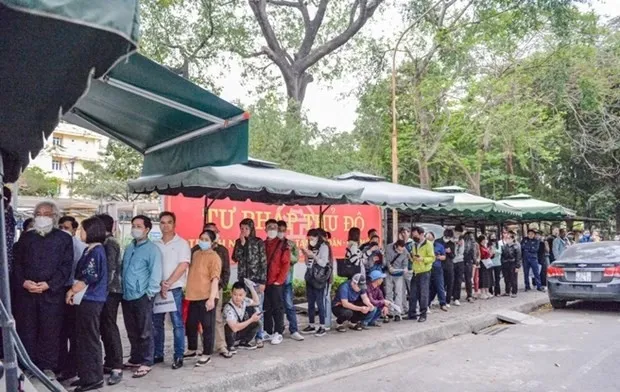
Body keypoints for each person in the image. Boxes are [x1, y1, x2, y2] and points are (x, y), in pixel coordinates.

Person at [13, 201, 73, 376]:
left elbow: (65, 266)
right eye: (38, 213)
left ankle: (48, 368)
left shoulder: (63, 238)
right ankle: (27, 365)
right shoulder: (26, 238)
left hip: (51, 294)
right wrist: (24, 282)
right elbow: (17, 263)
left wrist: (50, 284)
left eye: (46, 214)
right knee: (27, 329)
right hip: (27, 293)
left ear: (54, 217)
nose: (41, 217)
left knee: (50, 330)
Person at [65, 216, 108, 392]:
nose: (80, 233)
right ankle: (85, 375)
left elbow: (89, 276)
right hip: (84, 299)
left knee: (90, 339)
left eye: (83, 229)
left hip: (91, 299)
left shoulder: (97, 251)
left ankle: (93, 378)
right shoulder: (88, 250)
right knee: (81, 339)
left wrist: (71, 291)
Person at [121, 215, 163, 378]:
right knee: (132, 329)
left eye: (139, 226)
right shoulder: (130, 247)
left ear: (147, 229)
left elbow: (155, 273)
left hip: (142, 295)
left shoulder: (152, 249)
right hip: (127, 295)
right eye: (133, 225)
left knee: (145, 330)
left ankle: (146, 361)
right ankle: (135, 357)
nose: (135, 229)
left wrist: (149, 293)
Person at [152, 212, 191, 369]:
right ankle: (158, 354)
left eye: (169, 222)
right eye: (162, 222)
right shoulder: (155, 244)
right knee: (156, 324)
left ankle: (178, 356)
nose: (165, 225)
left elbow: (183, 265)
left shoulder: (182, 243)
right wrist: (160, 284)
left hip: (173, 289)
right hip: (157, 289)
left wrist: (168, 283)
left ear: (174, 224)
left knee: (177, 323)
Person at [191, 222, 233, 358]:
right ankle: (204, 347)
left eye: (213, 232)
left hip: (215, 290)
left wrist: (220, 287)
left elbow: (226, 271)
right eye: (206, 232)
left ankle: (221, 346)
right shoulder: (195, 250)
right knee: (200, 321)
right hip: (198, 291)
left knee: (217, 319)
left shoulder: (221, 250)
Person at [56, 215, 87, 381]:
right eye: (61, 227)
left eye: (67, 228)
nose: (63, 231)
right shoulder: (54, 245)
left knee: (74, 333)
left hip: (74, 291)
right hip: (57, 290)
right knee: (59, 331)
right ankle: (60, 365)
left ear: (75, 230)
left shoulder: (81, 247)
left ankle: (72, 367)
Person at [184, 229, 221, 366]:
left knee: (207, 326)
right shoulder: (196, 254)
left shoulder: (214, 257)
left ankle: (207, 353)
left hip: (207, 296)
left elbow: (215, 279)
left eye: (206, 240)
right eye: (201, 239)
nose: (203, 242)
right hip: (194, 295)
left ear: (212, 242)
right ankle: (192, 349)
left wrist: (211, 298)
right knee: (191, 324)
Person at [96, 214, 123, 385]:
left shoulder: (110, 243)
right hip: (105, 292)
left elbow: (110, 269)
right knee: (104, 327)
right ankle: (109, 361)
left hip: (110, 292)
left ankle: (117, 366)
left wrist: (103, 292)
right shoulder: (102, 243)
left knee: (110, 326)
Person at [232, 218, 267, 347]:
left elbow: (263, 263)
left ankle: (259, 336)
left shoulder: (258, 242)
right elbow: (235, 258)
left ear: (251, 229)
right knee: (244, 310)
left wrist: (263, 281)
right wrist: (241, 244)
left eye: (246, 228)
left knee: (257, 309)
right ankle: (245, 338)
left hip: (256, 281)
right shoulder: (238, 242)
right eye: (241, 228)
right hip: (243, 281)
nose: (244, 231)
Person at [262, 219, 290, 345]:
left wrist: (279, 280)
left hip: (276, 282)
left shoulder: (283, 245)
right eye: (269, 227)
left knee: (277, 307)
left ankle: (278, 332)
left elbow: (286, 264)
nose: (272, 229)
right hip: (265, 281)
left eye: (274, 227)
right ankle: (268, 331)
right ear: (265, 229)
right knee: (266, 307)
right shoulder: (262, 244)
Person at [277, 220, 304, 341]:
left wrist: (287, 252)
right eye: (279, 230)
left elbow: (295, 259)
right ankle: (278, 330)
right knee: (277, 306)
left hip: (287, 280)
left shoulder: (291, 244)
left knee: (289, 305)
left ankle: (294, 330)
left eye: (283, 230)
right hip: (274, 280)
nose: (280, 233)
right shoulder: (271, 244)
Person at [301, 229, 330, 337]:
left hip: (319, 277)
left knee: (320, 302)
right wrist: (306, 254)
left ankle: (322, 326)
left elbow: (323, 263)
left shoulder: (324, 247)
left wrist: (313, 256)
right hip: (310, 275)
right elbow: (307, 263)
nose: (311, 241)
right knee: (310, 302)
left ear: (317, 238)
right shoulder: (310, 247)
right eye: (309, 239)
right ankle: (311, 324)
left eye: (312, 239)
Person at [224, 281, 261, 351]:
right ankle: (230, 345)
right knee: (229, 327)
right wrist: (251, 319)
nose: (237, 297)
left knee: (257, 323)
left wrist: (251, 287)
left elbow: (257, 302)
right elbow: (234, 328)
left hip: (238, 331)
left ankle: (243, 342)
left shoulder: (244, 301)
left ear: (244, 295)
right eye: (235, 294)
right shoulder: (228, 308)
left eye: (240, 295)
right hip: (229, 333)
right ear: (231, 294)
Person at [408, 226, 435, 322]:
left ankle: (423, 314)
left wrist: (422, 259)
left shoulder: (428, 244)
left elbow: (432, 258)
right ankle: (412, 313)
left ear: (421, 234)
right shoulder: (414, 244)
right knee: (413, 293)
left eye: (415, 235)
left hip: (424, 272)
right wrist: (412, 258)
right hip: (415, 271)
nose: (414, 236)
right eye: (413, 235)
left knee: (423, 293)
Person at [384, 239, 408, 321]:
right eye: (399, 250)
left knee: (399, 293)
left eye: (402, 250)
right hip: (389, 272)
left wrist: (405, 268)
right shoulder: (389, 247)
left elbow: (405, 262)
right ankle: (389, 312)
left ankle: (398, 313)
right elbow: (387, 260)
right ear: (395, 246)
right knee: (388, 292)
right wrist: (389, 267)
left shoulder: (404, 251)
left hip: (399, 274)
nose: (400, 251)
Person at [427, 232, 448, 312]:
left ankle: (443, 303)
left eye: (430, 236)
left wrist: (438, 257)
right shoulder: (424, 246)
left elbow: (444, 257)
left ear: (433, 237)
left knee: (440, 285)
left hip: (437, 267)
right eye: (427, 237)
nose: (428, 238)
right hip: (427, 268)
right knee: (428, 287)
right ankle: (427, 303)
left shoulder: (439, 246)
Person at [436, 229, 455, 308]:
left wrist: (449, 252)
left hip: (449, 265)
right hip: (439, 265)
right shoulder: (438, 241)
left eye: (449, 237)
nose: (448, 239)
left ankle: (447, 301)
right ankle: (441, 300)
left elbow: (453, 256)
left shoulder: (451, 243)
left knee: (450, 283)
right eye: (447, 237)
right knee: (440, 284)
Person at [501, 232, 521, 297]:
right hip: (505, 264)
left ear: (512, 239)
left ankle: (514, 292)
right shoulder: (504, 246)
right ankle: (507, 291)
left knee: (513, 278)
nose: (507, 239)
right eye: (506, 238)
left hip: (513, 264)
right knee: (506, 278)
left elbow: (518, 257)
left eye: (509, 238)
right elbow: (502, 256)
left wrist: (517, 266)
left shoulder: (516, 246)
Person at [451, 227, 465, 306]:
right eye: (457, 232)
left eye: (459, 233)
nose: (458, 234)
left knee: (458, 280)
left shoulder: (462, 240)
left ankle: (456, 297)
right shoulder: (450, 239)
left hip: (460, 261)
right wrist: (455, 244)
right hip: (452, 261)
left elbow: (461, 252)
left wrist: (459, 245)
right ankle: (450, 295)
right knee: (451, 279)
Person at [477, 235, 493, 300]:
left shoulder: (485, 246)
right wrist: (489, 253)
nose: (485, 241)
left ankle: (487, 291)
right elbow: (483, 255)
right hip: (482, 263)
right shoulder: (480, 247)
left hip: (487, 263)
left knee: (488, 278)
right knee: (483, 278)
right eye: (484, 240)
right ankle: (482, 292)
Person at [462, 230, 476, 303]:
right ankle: (469, 295)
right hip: (468, 261)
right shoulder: (471, 240)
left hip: (463, 260)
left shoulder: (463, 239)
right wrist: (474, 261)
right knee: (468, 279)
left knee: (465, 279)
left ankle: (455, 295)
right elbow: (473, 251)